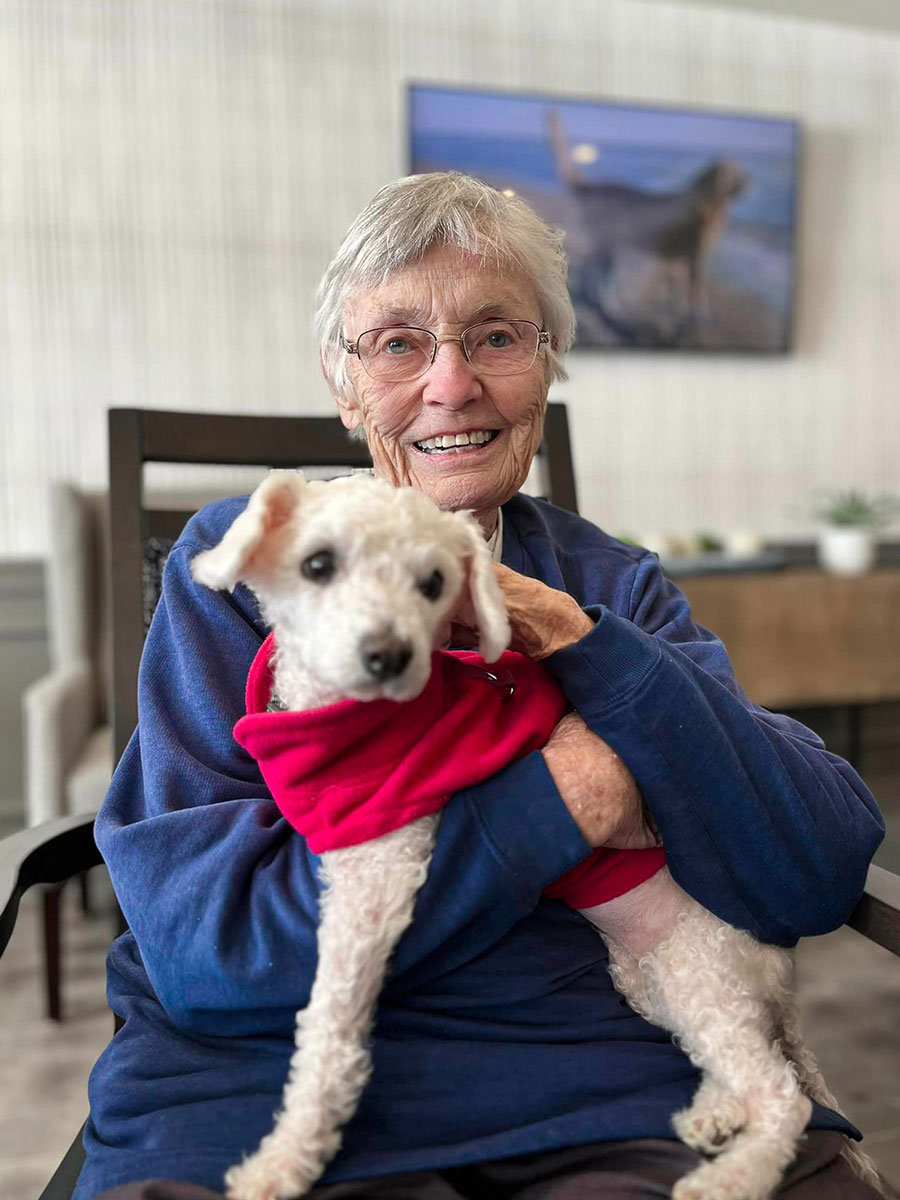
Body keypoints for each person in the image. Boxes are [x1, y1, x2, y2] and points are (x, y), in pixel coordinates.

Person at [77, 173, 885, 1200]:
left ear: (546, 370)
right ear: (344, 385)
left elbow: (813, 862)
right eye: (398, 344)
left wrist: (582, 639)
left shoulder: (611, 588)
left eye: (498, 337)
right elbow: (210, 949)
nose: (451, 386)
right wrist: (574, 792)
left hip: (603, 1089)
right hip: (260, 1097)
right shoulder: (262, 568)